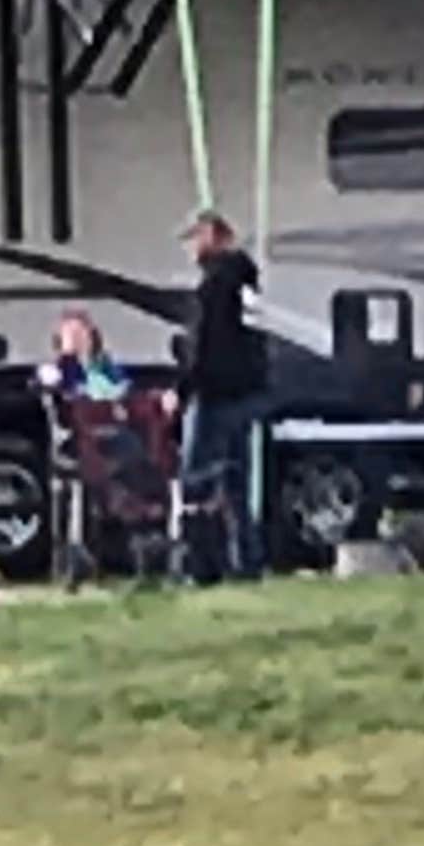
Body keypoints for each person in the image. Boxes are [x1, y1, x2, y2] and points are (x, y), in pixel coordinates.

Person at [179, 209, 269, 581]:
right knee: (237, 481)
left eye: (195, 239)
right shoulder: (247, 282)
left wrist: (184, 387)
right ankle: (247, 559)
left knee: (197, 478)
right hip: (247, 393)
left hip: (215, 393)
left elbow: (206, 344)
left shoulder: (215, 284)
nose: (192, 248)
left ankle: (202, 561)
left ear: (214, 238)